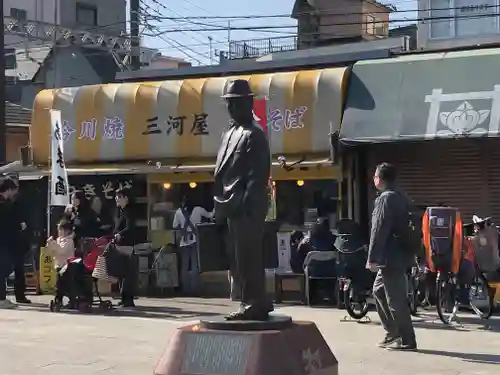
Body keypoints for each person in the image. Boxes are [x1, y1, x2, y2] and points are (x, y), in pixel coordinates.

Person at [214, 79, 272, 321]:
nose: (232, 108)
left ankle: (254, 303)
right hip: (230, 206)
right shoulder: (229, 133)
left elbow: (257, 176)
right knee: (238, 259)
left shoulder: (255, 135)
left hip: (246, 208)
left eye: (236, 103)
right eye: (229, 103)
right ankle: (249, 300)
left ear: (249, 103)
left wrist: (247, 206)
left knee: (249, 257)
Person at [368, 162, 417, 351]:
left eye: (375, 175)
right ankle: (392, 332)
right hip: (400, 253)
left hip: (390, 257)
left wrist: (372, 257)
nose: (373, 179)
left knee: (395, 300)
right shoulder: (401, 195)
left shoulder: (385, 199)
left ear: (379, 179)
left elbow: (379, 229)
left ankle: (407, 340)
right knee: (379, 291)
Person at [173, 196, 213, 295]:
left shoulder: (178, 212)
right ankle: (195, 290)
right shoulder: (198, 209)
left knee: (184, 267)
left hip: (184, 241)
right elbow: (210, 215)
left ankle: (185, 290)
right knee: (195, 266)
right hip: (195, 240)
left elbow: (174, 226)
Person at [113, 187, 138, 308]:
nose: (116, 199)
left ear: (126, 198)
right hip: (119, 245)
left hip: (126, 245)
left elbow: (130, 228)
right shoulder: (121, 211)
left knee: (126, 274)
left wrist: (119, 234)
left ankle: (128, 300)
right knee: (121, 273)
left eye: (119, 197)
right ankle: (124, 298)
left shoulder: (130, 211)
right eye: (116, 197)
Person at [10, 175, 31, 304]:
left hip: (17, 239)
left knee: (19, 268)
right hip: (8, 238)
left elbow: (25, 220)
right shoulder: (5, 201)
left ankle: (20, 294)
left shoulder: (21, 200)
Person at [0, 177, 21, 309]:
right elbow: (7, 225)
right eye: (13, 190)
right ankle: (1, 298)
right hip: (3, 241)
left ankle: (2, 297)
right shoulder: (3, 205)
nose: (14, 193)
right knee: (3, 268)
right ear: (8, 190)